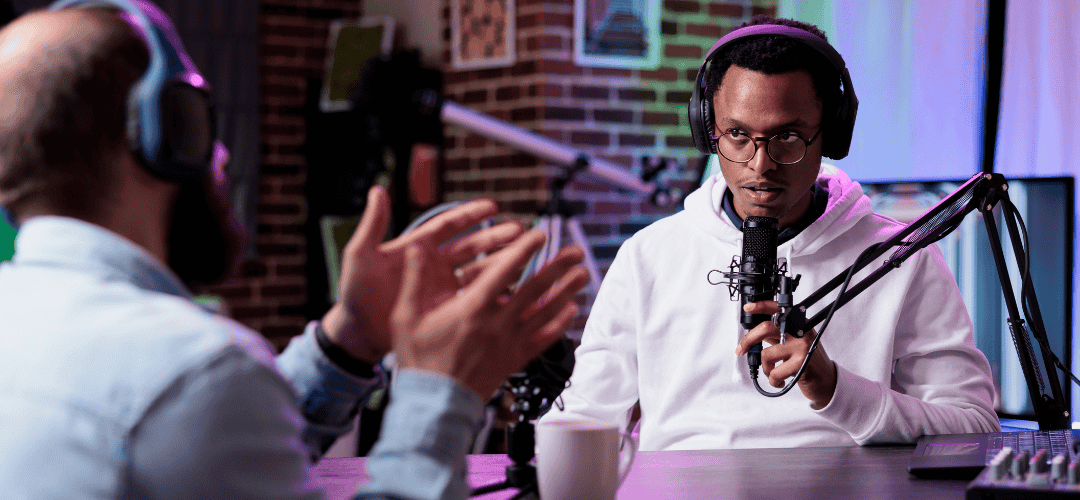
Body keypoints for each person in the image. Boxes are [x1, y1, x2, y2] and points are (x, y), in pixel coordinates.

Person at [0, 2, 587, 499]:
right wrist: (441, 391)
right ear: (172, 132)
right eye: (202, 115)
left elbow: (215, 457)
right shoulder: (192, 370)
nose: (224, 154)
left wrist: (348, 339)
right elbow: (194, 401)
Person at [541, 15, 1000, 451]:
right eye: (737, 134)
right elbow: (583, 417)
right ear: (708, 129)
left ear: (832, 134)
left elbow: (974, 425)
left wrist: (839, 390)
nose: (760, 166)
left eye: (788, 137)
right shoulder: (648, 257)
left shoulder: (902, 258)